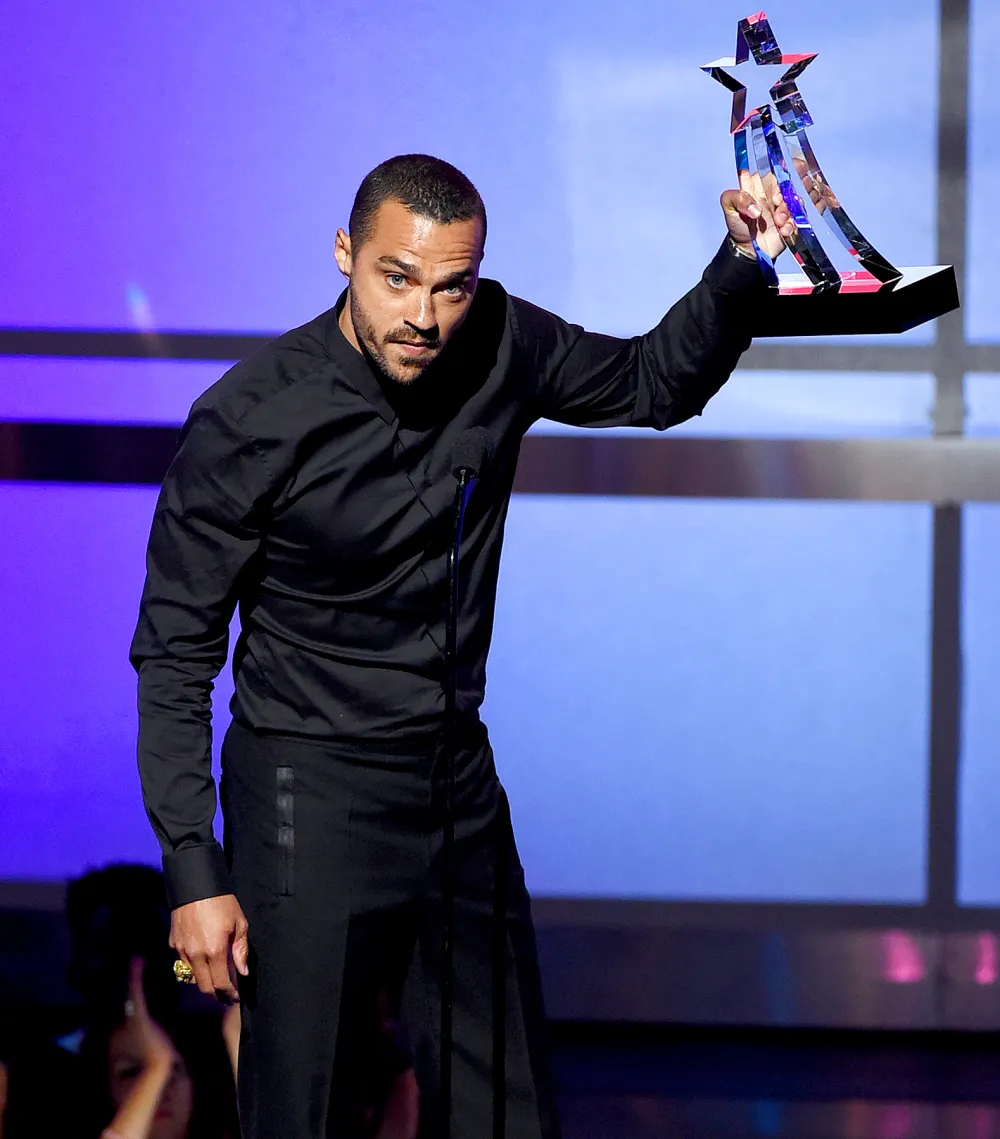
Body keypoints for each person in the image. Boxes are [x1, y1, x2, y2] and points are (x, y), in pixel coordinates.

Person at [130, 153, 793, 1138]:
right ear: (345, 253)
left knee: (503, 1103)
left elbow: (653, 382)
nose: (425, 315)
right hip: (303, 785)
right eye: (396, 278)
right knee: (303, 1106)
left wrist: (741, 263)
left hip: (453, 781)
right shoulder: (250, 417)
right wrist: (195, 869)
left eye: (452, 284)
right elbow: (175, 647)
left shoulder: (501, 341)